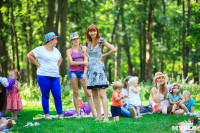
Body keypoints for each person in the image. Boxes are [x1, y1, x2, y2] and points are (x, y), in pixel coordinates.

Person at [27, 32, 63, 119]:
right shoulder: (40, 49)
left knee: (57, 95)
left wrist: (57, 65)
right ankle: (47, 115)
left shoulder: (56, 51)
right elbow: (29, 55)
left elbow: (61, 58)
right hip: (43, 76)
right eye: (55, 40)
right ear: (50, 40)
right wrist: (37, 64)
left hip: (55, 76)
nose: (56, 41)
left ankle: (60, 115)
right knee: (45, 95)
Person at [86, 24, 117, 122]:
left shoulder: (101, 41)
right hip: (91, 69)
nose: (92, 33)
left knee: (102, 93)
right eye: (90, 31)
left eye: (94, 31)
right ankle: (99, 117)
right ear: (88, 33)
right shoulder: (88, 43)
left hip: (99, 69)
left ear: (96, 31)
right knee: (94, 94)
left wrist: (104, 55)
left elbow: (114, 49)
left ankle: (106, 117)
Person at [66, 32, 96, 118]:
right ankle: (78, 114)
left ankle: (94, 114)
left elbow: (87, 63)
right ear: (71, 41)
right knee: (75, 93)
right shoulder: (69, 51)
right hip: (73, 72)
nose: (76, 41)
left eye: (77, 39)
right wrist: (83, 62)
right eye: (74, 39)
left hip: (83, 72)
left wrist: (84, 74)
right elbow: (71, 62)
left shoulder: (84, 48)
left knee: (88, 93)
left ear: (79, 39)